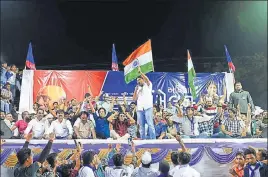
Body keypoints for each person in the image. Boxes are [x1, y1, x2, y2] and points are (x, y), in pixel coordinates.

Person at [133, 66, 156, 139]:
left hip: (148, 107)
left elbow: (147, 79)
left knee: (150, 124)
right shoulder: (138, 89)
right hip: (140, 109)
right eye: (137, 81)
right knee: (141, 126)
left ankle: (153, 140)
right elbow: (134, 99)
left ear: (143, 80)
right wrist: (135, 90)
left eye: (139, 80)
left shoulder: (148, 85)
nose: (138, 82)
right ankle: (143, 140)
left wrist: (140, 73)